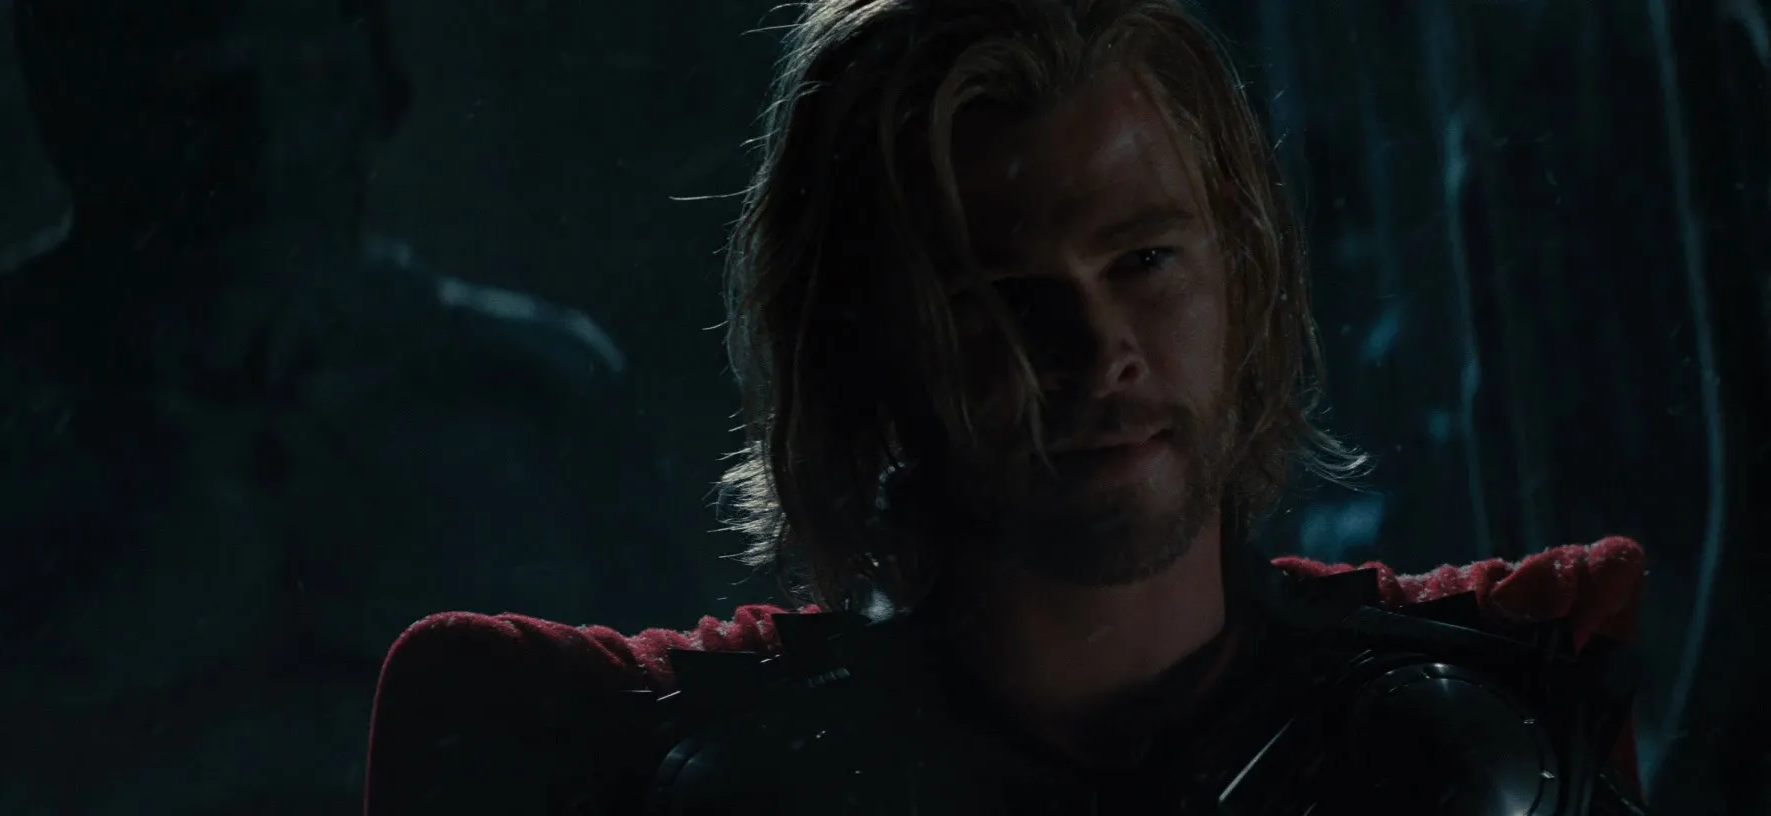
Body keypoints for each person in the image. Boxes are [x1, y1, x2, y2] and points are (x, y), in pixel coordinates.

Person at [365, 1, 1648, 813]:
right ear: (864, 342)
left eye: (1144, 259)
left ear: (1242, 271)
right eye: (997, 297)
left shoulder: (1504, 698)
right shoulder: (614, 752)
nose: (1098, 351)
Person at [0, 0, 694, 813]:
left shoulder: (536, 398)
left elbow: (677, 755)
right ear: (64, 93)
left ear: (379, 86)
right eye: (186, 79)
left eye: (297, 69)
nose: (254, 137)